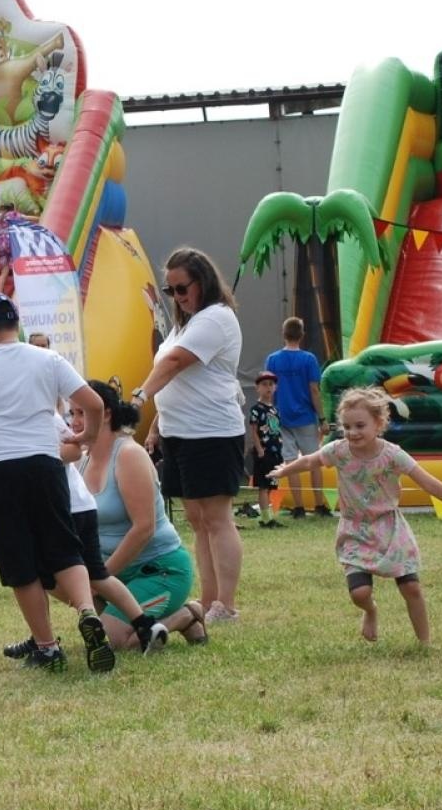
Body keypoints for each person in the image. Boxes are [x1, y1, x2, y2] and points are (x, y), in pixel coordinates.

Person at [0, 293, 115, 674]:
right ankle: (87, 611)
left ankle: (47, 646)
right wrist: (85, 437)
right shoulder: (48, 359)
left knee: (18, 560)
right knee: (64, 547)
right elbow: (94, 403)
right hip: (45, 464)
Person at [272, 386, 442, 646]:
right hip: (354, 529)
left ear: (379, 423)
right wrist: (285, 470)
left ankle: (424, 642)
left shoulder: (392, 455)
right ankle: (370, 611)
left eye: (360, 425)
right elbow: (310, 461)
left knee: (411, 588)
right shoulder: (338, 451)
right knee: (360, 592)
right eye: (347, 426)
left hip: (389, 527)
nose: (353, 432)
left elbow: (430, 484)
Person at [130, 247, 246, 624]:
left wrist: (139, 397)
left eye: (183, 288)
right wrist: (157, 425)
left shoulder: (216, 318)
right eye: (171, 291)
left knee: (216, 518)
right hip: (181, 432)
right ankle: (209, 598)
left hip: (211, 432)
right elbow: (172, 373)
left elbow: (175, 363)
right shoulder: (187, 324)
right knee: (196, 518)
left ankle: (225, 605)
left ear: (203, 282)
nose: (178, 297)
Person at [72, 381, 207, 649]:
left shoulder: (128, 455)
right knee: (54, 577)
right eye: (72, 413)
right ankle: (123, 617)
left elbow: (144, 528)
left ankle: (186, 615)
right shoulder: (82, 459)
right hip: (114, 575)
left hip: (160, 570)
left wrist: (99, 578)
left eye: (81, 413)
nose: (75, 422)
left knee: (117, 641)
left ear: (106, 413)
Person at [262, 317, 329, 518]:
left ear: (283, 335)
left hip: (281, 416)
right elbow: (314, 390)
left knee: (291, 463)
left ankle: (298, 507)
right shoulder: (309, 359)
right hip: (306, 417)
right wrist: (323, 418)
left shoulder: (272, 359)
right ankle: (319, 504)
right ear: (302, 335)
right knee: (314, 462)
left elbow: (268, 390)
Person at [247, 370, 286, 528]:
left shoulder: (275, 409)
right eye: (264, 385)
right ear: (258, 388)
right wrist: (259, 449)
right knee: (263, 485)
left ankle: (269, 515)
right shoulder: (256, 409)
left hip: (276, 451)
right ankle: (265, 519)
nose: (268, 388)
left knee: (272, 485)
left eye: (271, 384)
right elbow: (254, 430)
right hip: (264, 451)